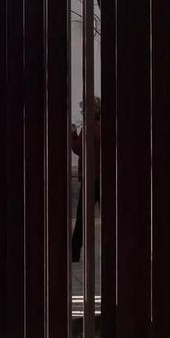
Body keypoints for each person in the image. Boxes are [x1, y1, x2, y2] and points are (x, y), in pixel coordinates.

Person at [71, 98, 101, 263]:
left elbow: (79, 148)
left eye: (84, 110)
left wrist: (72, 134)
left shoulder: (90, 127)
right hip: (104, 178)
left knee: (82, 218)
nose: (82, 113)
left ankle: (74, 251)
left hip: (91, 178)